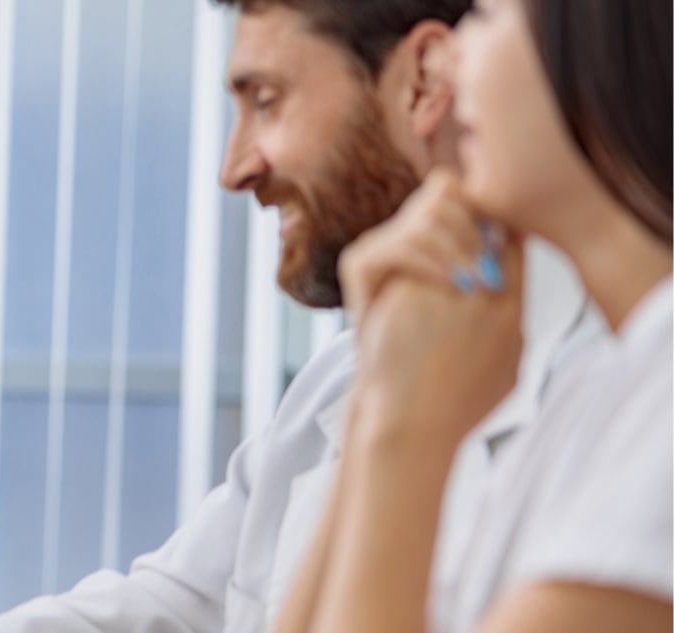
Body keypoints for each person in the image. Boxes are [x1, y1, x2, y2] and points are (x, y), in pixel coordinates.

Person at [0, 1, 585, 632]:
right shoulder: (345, 374)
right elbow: (176, 601)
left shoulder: (608, 378)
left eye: (267, 99)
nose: (233, 166)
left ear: (425, 79)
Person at [272, 0, 671, 630]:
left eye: (482, 15)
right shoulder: (599, 390)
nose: (447, 60)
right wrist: (381, 396)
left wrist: (406, 443)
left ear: (600, 34)